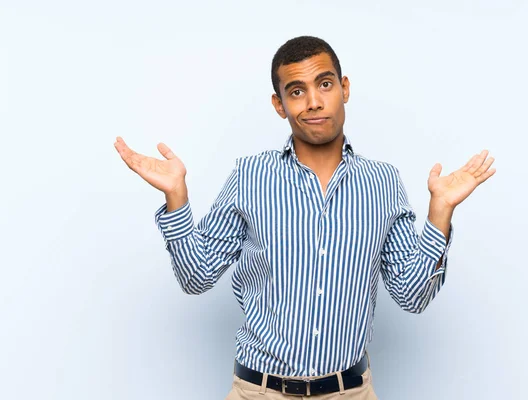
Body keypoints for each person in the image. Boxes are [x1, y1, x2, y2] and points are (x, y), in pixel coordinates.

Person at [114, 35, 496, 399]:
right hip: (258, 391)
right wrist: (176, 197)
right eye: (296, 91)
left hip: (350, 392)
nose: (313, 102)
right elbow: (196, 277)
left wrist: (440, 212)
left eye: (325, 84)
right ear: (280, 105)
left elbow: (413, 296)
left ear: (344, 89)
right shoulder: (251, 177)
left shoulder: (383, 183)